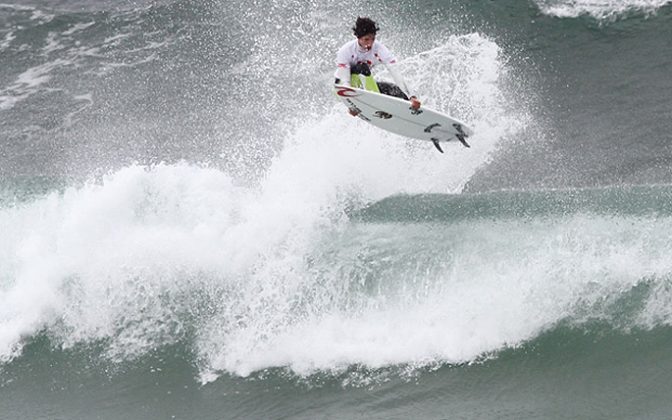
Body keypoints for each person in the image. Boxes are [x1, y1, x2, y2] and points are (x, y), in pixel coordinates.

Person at [334, 17, 421, 116]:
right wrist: (351, 104)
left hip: (364, 87)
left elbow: (395, 72)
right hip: (342, 87)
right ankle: (379, 107)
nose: (370, 43)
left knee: (398, 92)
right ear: (358, 37)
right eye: (366, 39)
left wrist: (411, 96)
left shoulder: (379, 49)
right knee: (362, 68)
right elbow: (345, 81)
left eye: (373, 39)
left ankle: (409, 115)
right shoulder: (346, 51)